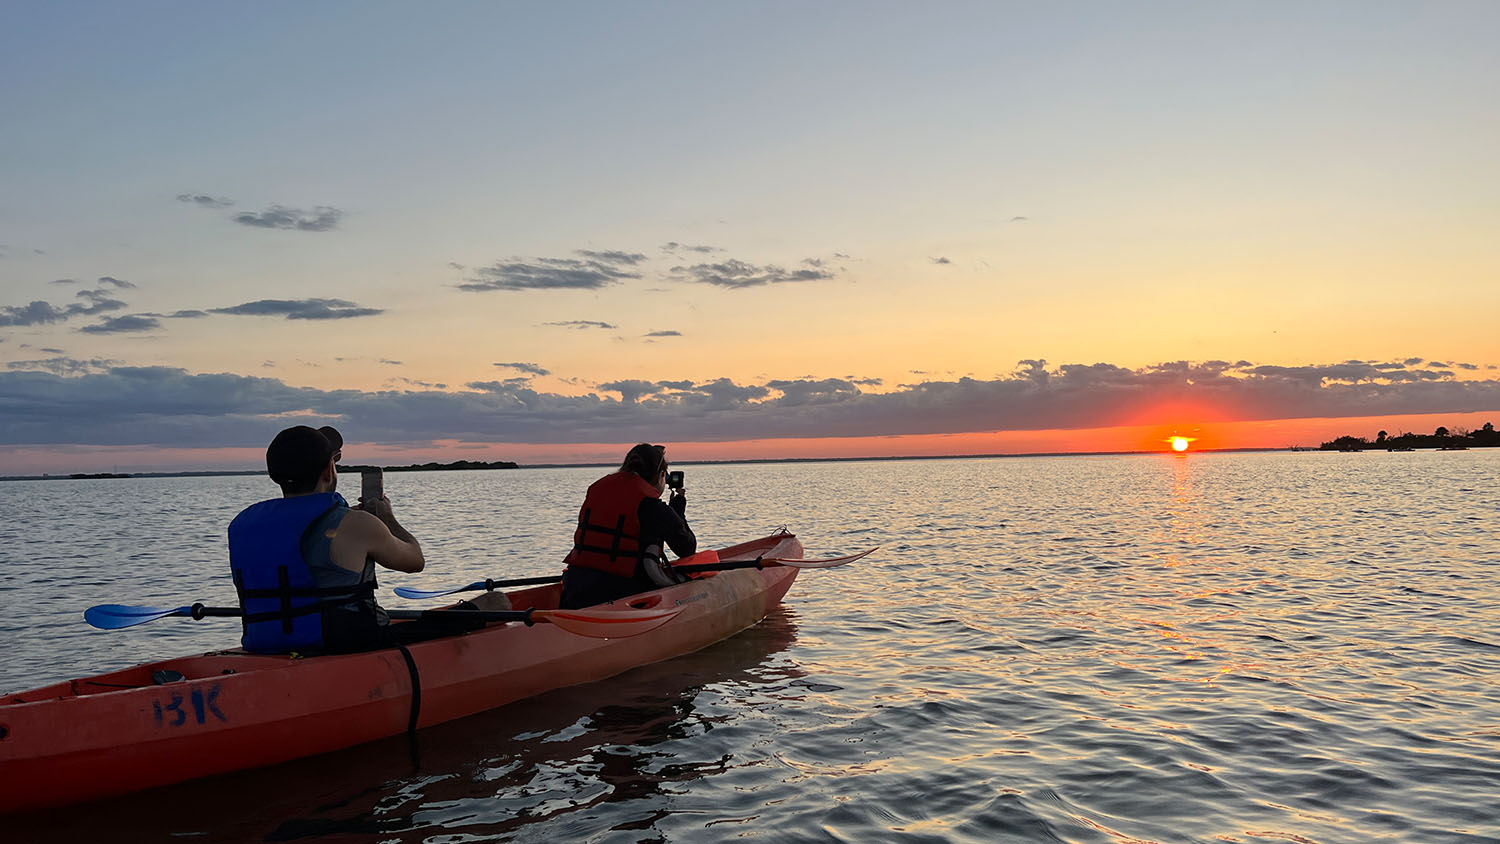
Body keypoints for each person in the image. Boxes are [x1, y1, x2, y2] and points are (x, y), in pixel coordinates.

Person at [227, 425, 485, 654]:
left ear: (275, 475)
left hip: (266, 644)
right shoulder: (357, 524)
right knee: (494, 602)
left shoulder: (240, 524)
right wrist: (387, 519)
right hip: (351, 644)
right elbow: (414, 561)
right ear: (329, 470)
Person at [559, 443, 697, 609]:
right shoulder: (653, 507)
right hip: (622, 593)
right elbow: (687, 549)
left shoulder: (597, 493)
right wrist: (678, 510)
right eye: (664, 476)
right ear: (660, 475)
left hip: (575, 587)